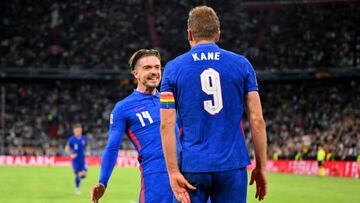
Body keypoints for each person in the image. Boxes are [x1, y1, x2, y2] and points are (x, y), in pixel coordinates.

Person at [160, 6, 268, 203]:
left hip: (193, 165)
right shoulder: (242, 65)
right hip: (232, 165)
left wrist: (172, 171)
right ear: (218, 35)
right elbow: (257, 119)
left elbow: (166, 124)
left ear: (189, 34)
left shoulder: (172, 69)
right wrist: (261, 167)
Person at [90, 49, 179, 203]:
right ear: (135, 73)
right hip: (156, 176)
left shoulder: (172, 99)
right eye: (147, 68)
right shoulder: (124, 108)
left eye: (157, 67)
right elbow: (112, 147)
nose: (154, 72)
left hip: (187, 172)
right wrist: (102, 181)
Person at [65, 123, 90, 194]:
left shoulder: (84, 138)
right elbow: (66, 149)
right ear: (74, 131)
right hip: (75, 160)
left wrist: (88, 152)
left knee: (84, 174)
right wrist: (71, 154)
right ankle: (77, 188)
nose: (79, 131)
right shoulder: (71, 139)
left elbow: (87, 146)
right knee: (76, 173)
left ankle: (79, 179)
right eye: (77, 130)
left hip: (82, 160)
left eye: (80, 130)